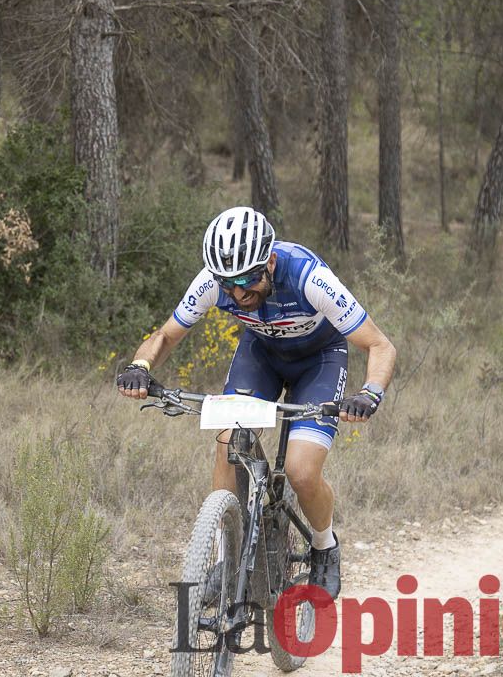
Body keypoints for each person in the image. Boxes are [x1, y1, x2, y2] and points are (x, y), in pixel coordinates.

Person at [116, 206, 396, 598]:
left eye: (248, 280)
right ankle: (226, 558)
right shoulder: (215, 282)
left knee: (301, 471)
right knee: (228, 440)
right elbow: (165, 335)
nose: (237, 293)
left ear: (270, 260)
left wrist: (369, 393)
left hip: (319, 361)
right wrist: (140, 365)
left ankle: (324, 546)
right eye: (227, 284)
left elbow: (380, 344)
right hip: (262, 354)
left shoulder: (308, 277)